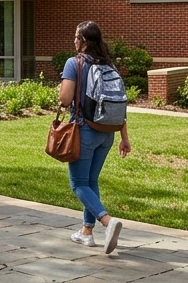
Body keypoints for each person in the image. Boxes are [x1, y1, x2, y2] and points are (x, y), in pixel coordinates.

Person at [59, 21, 129, 253]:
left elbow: (65, 99)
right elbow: (119, 104)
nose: (74, 40)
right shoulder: (109, 65)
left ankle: (108, 222)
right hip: (107, 133)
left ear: (84, 41)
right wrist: (124, 137)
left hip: (83, 131)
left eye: (76, 36)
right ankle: (86, 232)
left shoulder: (74, 63)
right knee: (91, 181)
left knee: (78, 183)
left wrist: (62, 92)